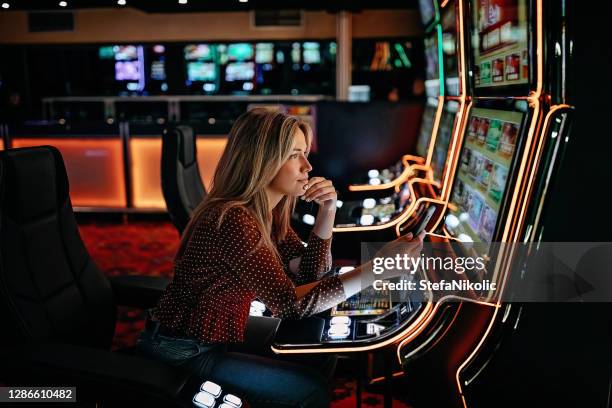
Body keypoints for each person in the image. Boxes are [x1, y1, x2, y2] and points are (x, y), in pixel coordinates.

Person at [137, 108, 424, 407]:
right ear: (262, 162)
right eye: (294, 155)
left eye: (305, 153)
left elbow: (311, 274)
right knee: (309, 389)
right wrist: (378, 268)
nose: (308, 166)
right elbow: (290, 304)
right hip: (183, 349)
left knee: (318, 353)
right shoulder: (233, 219)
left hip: (220, 331)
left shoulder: (268, 212)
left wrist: (327, 211)